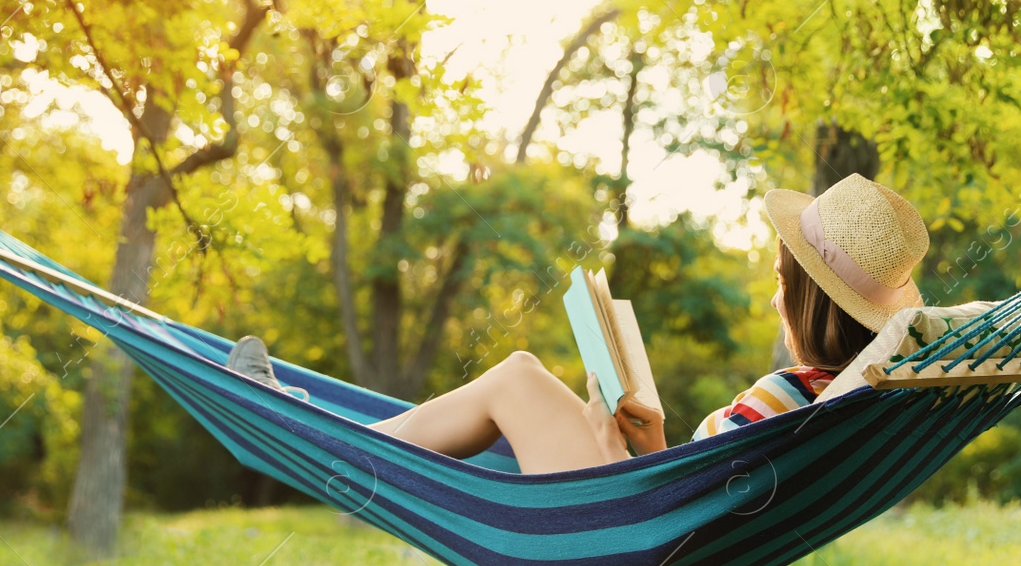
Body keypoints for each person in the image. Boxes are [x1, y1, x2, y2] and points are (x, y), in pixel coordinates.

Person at [227, 173, 930, 476]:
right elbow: (705, 500)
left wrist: (604, 432)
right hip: (642, 521)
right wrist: (649, 436)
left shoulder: (785, 394)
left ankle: (316, 437)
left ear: (808, 302)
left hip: (620, 533)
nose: (776, 300)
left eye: (782, 284)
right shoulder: (826, 399)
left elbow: (679, 507)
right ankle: (323, 432)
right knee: (523, 377)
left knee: (520, 379)